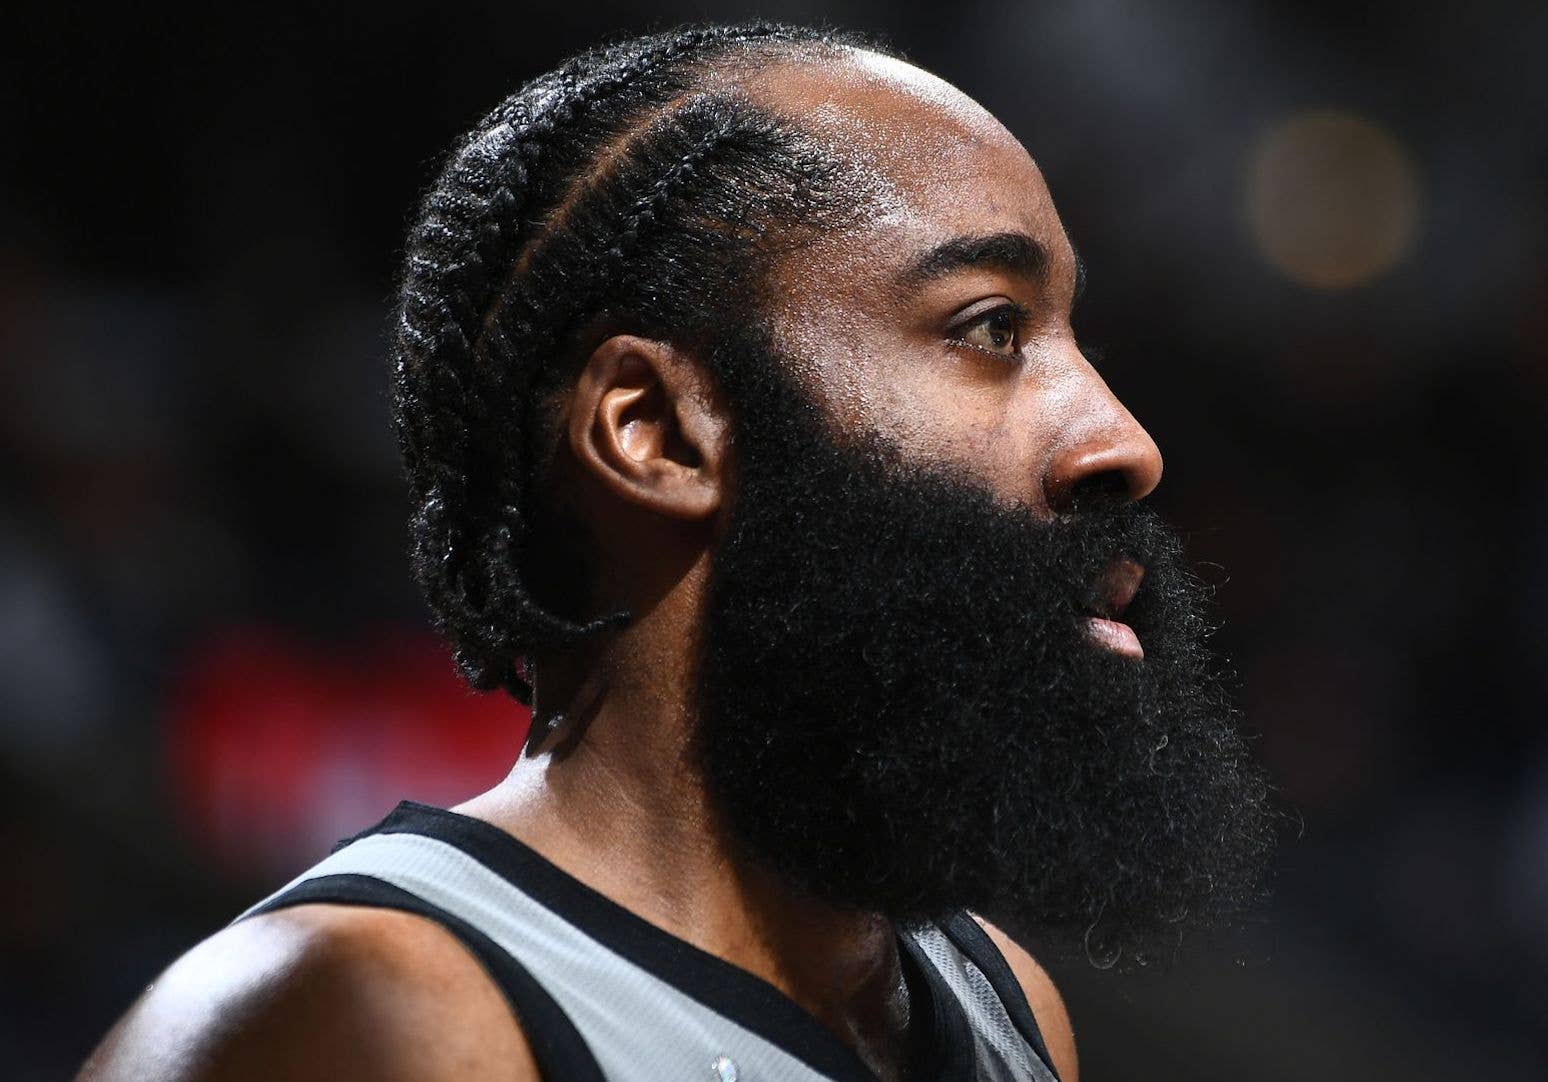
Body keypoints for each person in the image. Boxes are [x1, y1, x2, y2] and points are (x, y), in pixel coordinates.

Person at [78, 23, 1273, 1082]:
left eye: (1074, 336)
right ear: (653, 431)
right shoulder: (376, 1015)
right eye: (990, 327)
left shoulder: (1000, 1001)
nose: (1124, 440)